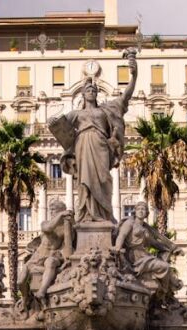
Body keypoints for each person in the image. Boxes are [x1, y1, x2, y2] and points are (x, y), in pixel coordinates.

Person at [49, 51, 138, 224]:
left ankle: (104, 215)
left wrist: (134, 75)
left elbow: (125, 97)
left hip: (101, 145)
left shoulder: (105, 110)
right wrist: (51, 121)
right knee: (84, 181)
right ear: (83, 94)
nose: (91, 92)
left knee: (103, 178)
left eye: (93, 90)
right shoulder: (76, 113)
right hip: (82, 144)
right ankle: (86, 215)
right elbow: (60, 125)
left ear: (97, 94)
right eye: (88, 90)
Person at [112, 201, 180, 290]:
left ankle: (164, 290)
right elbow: (122, 235)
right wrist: (118, 247)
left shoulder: (146, 229)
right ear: (135, 211)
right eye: (138, 209)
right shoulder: (130, 223)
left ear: (146, 213)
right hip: (133, 257)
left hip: (144, 256)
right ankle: (165, 290)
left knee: (165, 266)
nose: (140, 211)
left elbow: (154, 243)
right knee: (165, 266)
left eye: (143, 209)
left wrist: (169, 248)